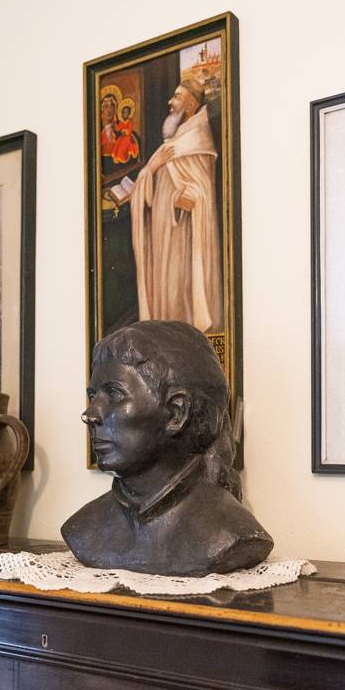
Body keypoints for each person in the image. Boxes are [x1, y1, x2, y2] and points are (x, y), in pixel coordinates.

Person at [63, 321, 273, 576]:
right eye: (92, 396)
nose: (90, 414)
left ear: (176, 413)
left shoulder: (228, 533)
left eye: (115, 394)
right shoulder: (84, 528)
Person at [129, 77, 222, 334]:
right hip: (161, 232)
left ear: (191, 106)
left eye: (178, 97)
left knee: (178, 295)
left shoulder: (197, 140)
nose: (171, 102)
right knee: (164, 293)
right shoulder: (174, 141)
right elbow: (146, 187)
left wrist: (182, 198)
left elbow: (202, 191)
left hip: (181, 234)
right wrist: (151, 169)